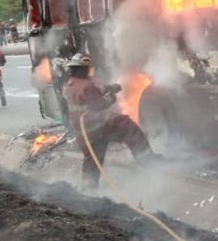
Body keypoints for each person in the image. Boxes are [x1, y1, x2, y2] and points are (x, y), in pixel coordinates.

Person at [62, 53, 155, 188]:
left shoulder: (69, 84)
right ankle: (147, 159)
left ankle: (88, 191)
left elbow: (88, 94)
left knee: (92, 161)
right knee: (128, 127)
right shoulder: (86, 85)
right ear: (83, 69)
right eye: (88, 69)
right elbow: (98, 105)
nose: (89, 71)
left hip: (83, 133)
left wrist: (110, 87)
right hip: (98, 125)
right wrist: (112, 98)